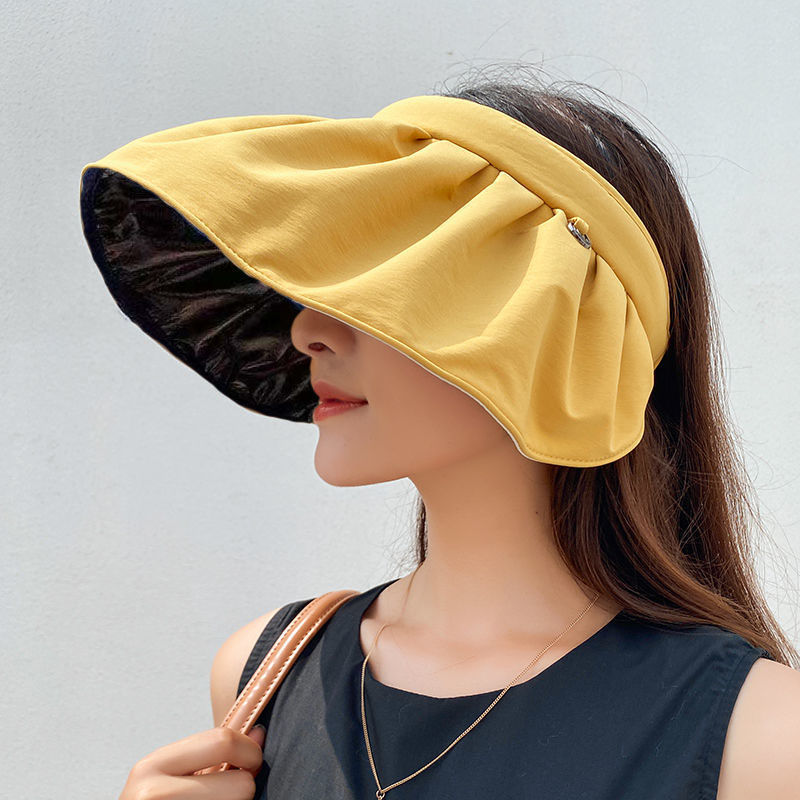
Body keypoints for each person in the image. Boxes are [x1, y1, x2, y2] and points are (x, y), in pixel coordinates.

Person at [79, 70, 800, 799]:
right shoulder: (265, 676)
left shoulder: (762, 738)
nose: (306, 331)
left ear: (559, 327)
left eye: (388, 288)